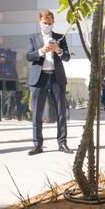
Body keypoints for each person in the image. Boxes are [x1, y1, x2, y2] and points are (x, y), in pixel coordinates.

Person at [26, 10, 72, 155]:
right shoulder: (32, 37)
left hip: (56, 78)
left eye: (50, 23)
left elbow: (67, 57)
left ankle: (62, 143)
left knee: (61, 112)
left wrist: (58, 50)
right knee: (37, 113)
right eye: (45, 23)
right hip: (39, 79)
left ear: (53, 23)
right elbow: (28, 56)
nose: (47, 25)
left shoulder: (59, 37)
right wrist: (41, 51)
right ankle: (37, 144)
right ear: (39, 22)